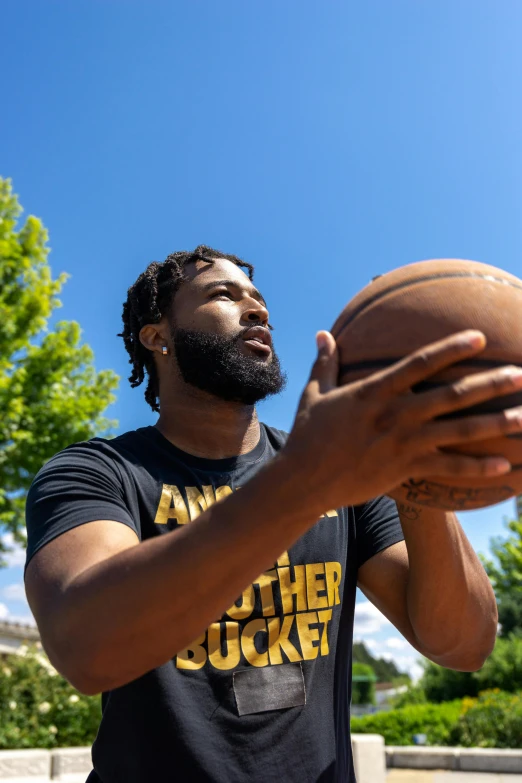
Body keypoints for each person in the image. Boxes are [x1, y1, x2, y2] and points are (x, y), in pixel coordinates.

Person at [24, 246, 522, 783]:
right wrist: (303, 484)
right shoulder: (97, 472)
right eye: (223, 294)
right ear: (156, 336)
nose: (258, 310)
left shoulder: (342, 476)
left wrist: (413, 471)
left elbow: (464, 643)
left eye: (259, 299)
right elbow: (86, 647)